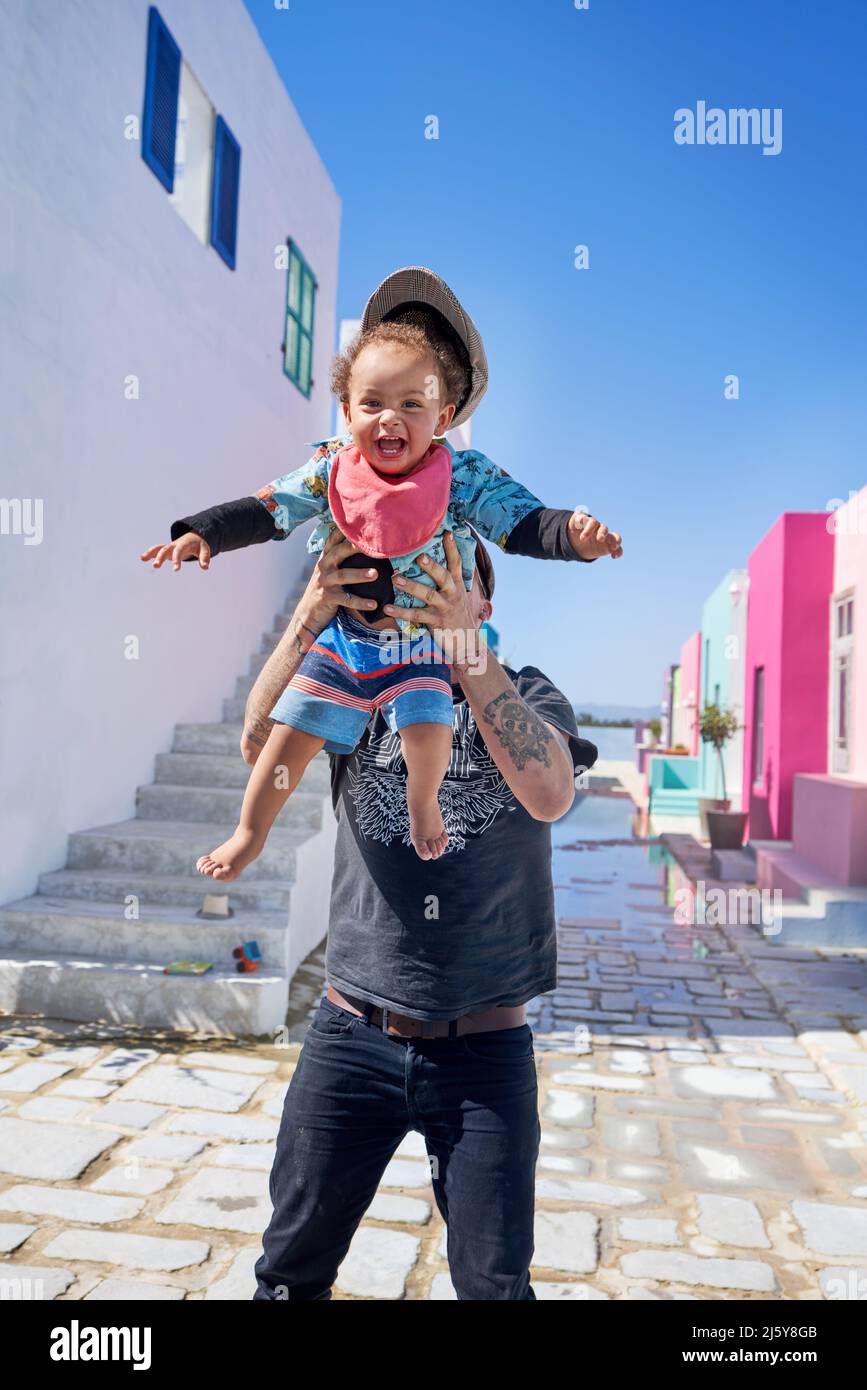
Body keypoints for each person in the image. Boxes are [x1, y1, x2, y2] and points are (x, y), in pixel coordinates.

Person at [141, 267, 622, 866]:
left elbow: (520, 521)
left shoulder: (464, 481)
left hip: (419, 650)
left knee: (425, 727)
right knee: (287, 741)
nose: (390, 418)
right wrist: (205, 532)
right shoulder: (331, 470)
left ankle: (426, 807)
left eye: (411, 404)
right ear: (346, 411)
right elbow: (269, 508)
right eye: (373, 403)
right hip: (347, 642)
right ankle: (249, 833)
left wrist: (575, 538)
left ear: (443, 419)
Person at [244, 525, 596, 1300]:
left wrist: (464, 650)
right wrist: (312, 610)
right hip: (348, 1032)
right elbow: (256, 752)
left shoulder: (531, 693)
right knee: (287, 1272)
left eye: (442, 578)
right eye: (408, 579)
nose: (420, 594)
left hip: (482, 1052)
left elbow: (549, 794)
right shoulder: (354, 684)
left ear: (484, 600)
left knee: (493, 1287)